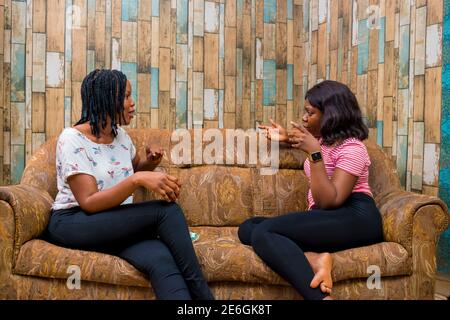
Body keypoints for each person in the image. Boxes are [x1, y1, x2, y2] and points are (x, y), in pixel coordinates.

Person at [44, 69, 214, 300]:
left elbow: (133, 170)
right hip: (73, 222)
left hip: (111, 223)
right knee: (166, 212)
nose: (132, 104)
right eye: (126, 97)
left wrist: (150, 163)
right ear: (105, 98)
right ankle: (205, 298)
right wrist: (138, 180)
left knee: (162, 260)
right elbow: (90, 202)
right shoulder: (72, 139)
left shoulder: (121, 137)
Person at [238, 80, 383, 300]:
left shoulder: (353, 148)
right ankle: (315, 259)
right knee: (249, 227)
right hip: (329, 217)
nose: (304, 118)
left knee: (264, 232)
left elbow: (329, 201)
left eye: (310, 113)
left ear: (331, 115)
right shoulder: (324, 141)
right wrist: (286, 136)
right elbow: (305, 140)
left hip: (356, 217)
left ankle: (320, 299)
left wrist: (314, 153)